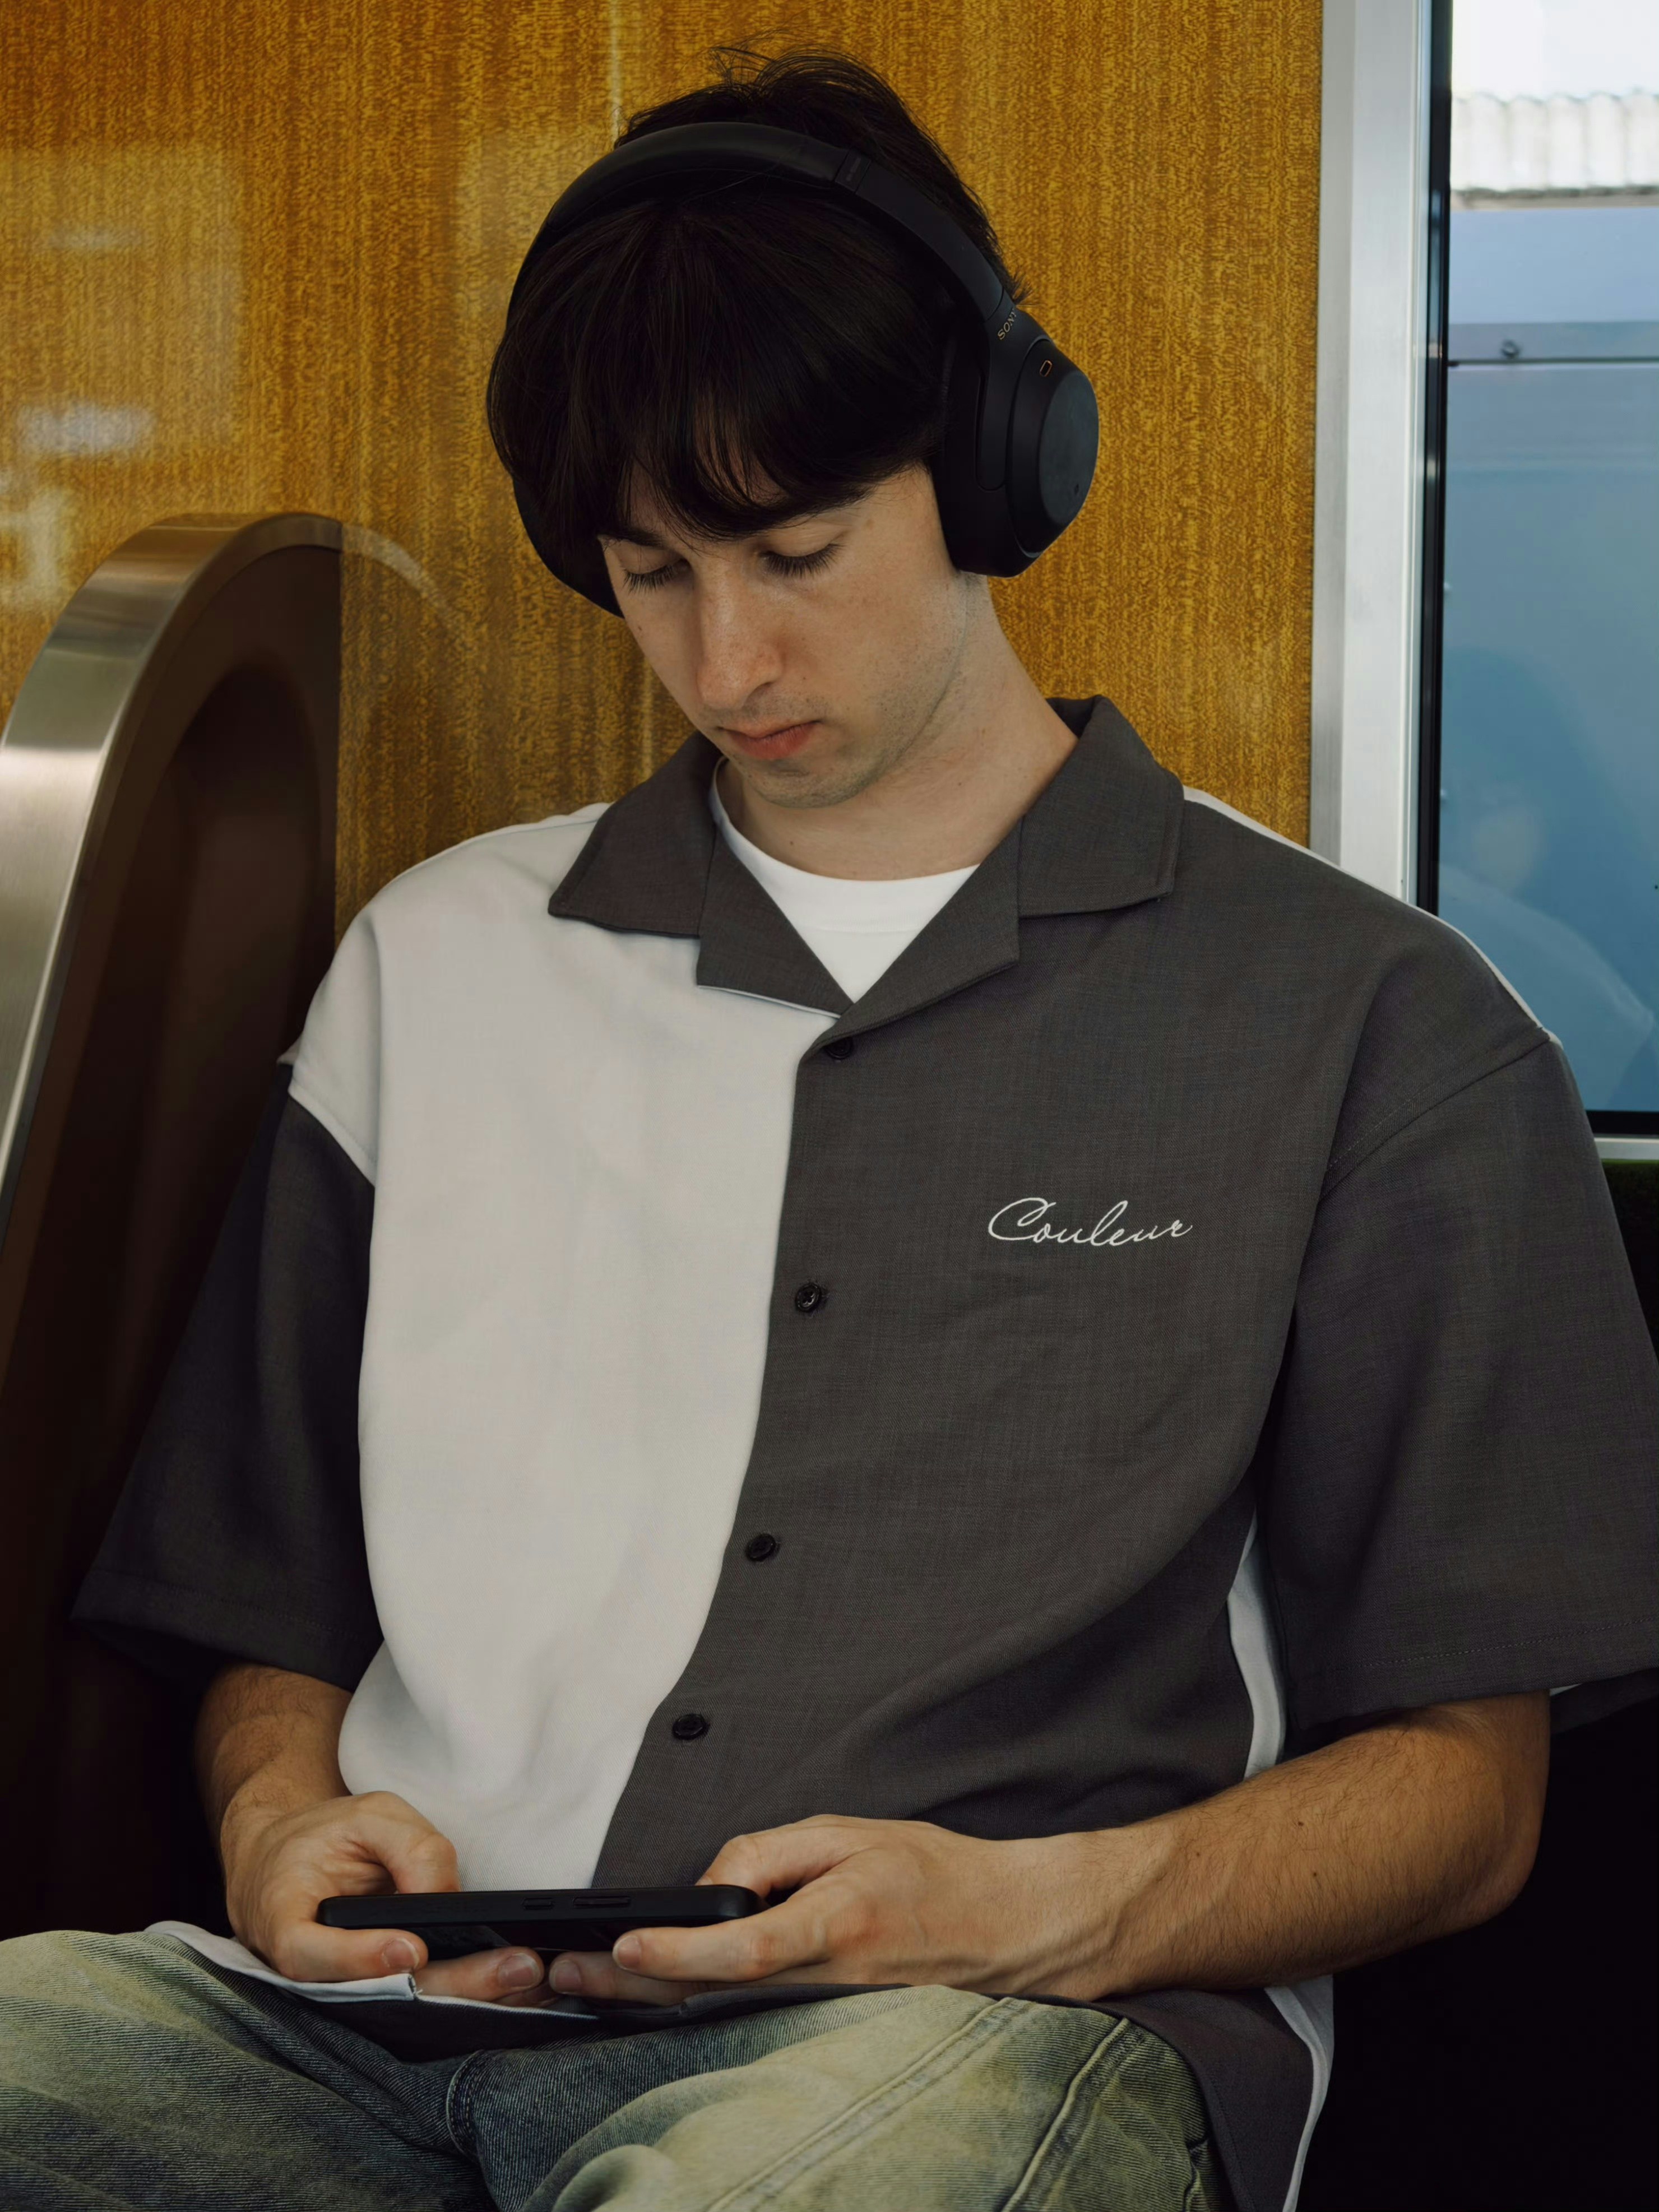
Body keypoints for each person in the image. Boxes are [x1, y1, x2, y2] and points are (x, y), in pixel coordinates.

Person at [3, 47, 1654, 2212]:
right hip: (365, 2037)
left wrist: (1018, 1910)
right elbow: (266, 1607)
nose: (731, 653)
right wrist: (274, 1815)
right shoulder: (438, 962)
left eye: (797, 546)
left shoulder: (1374, 1024)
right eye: (653, 571)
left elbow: (1469, 1795)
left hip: (978, 2044)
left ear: (995, 465)